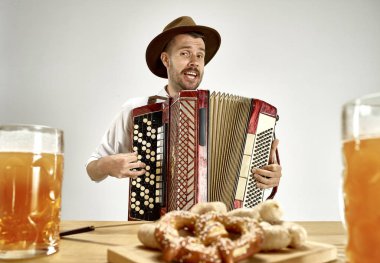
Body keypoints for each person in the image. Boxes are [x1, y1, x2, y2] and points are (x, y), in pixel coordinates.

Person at [86, 16, 282, 190]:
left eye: (200, 55)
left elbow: (251, 180)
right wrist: (107, 165)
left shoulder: (234, 115)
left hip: (216, 224)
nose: (194, 62)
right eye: (185, 53)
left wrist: (267, 177)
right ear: (166, 59)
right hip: (160, 224)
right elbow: (92, 168)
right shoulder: (138, 109)